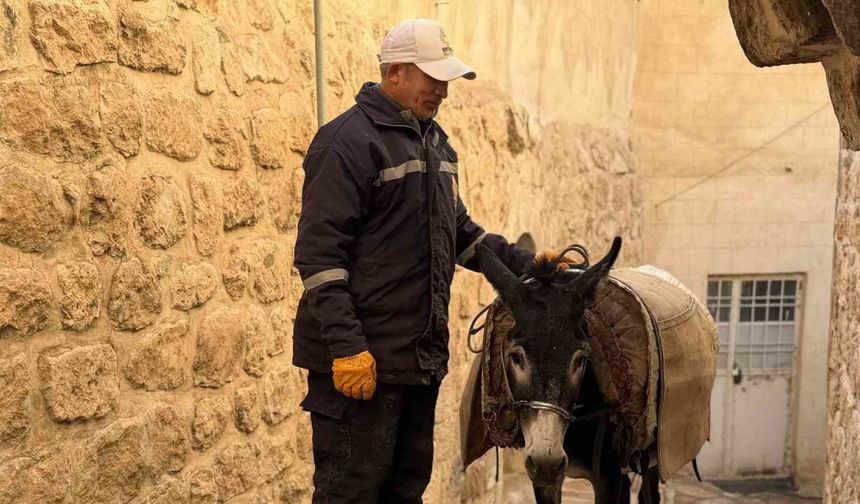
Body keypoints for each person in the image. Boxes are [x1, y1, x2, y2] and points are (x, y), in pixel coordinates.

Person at [292, 18, 537, 502]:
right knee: (350, 494)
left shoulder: (436, 145)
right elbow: (320, 259)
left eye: (447, 80)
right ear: (395, 71)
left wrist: (527, 264)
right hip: (361, 367)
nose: (442, 91)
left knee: (405, 493)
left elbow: (461, 236)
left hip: (418, 365)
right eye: (433, 78)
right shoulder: (346, 143)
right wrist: (347, 348)